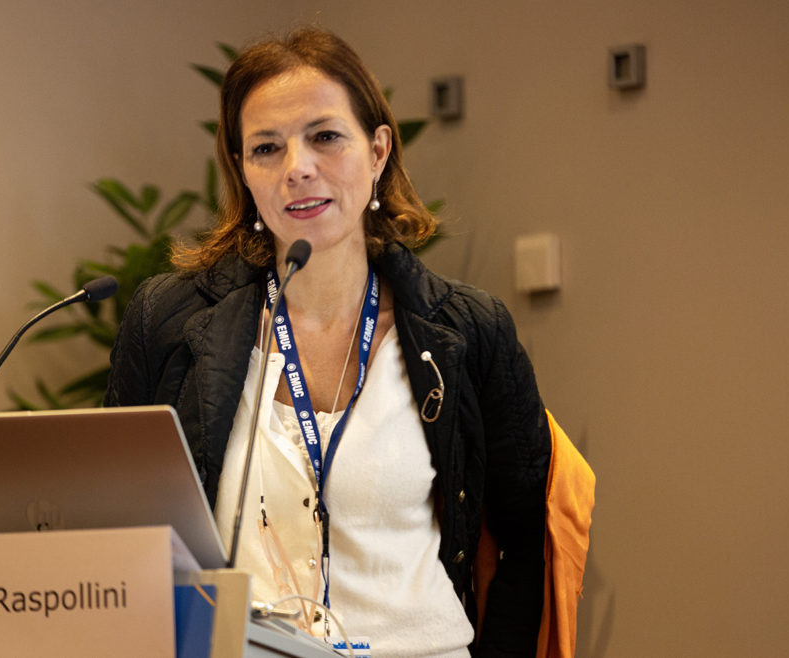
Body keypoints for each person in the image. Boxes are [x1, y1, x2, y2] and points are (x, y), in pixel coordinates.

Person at [106, 27, 551, 657]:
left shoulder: (469, 331)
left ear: (377, 152)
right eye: (266, 148)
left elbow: (525, 546)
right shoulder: (168, 321)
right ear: (243, 171)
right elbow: (123, 532)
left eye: (325, 137)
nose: (297, 168)